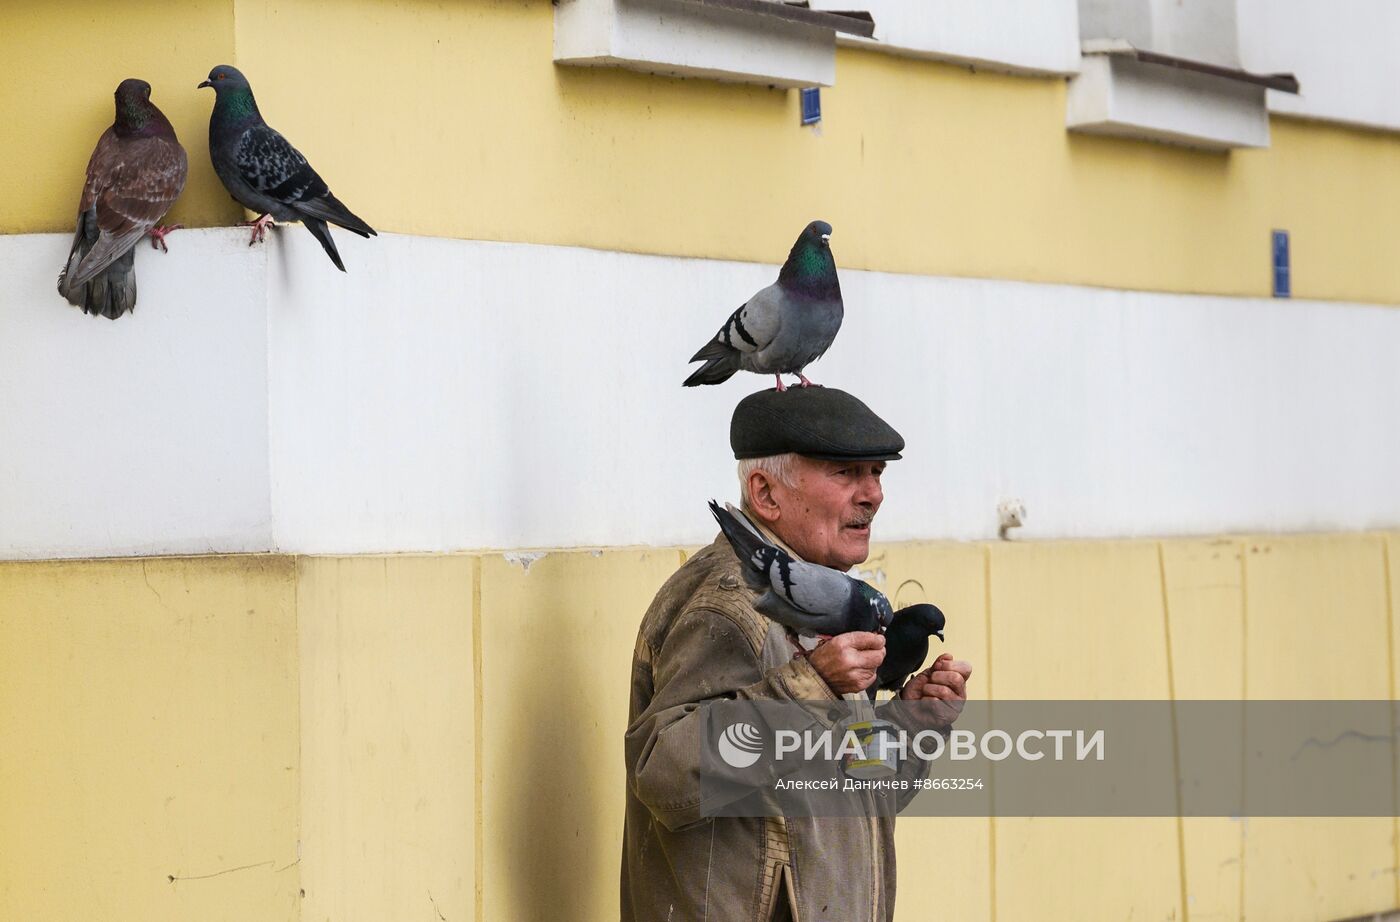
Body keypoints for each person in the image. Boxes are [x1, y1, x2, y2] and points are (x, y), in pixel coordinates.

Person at [621, 387, 974, 922]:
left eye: (877, 472)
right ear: (765, 494)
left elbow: (851, 787)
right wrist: (807, 688)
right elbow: (666, 777)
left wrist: (909, 723)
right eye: (845, 473)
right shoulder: (729, 608)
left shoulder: (827, 598)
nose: (873, 494)